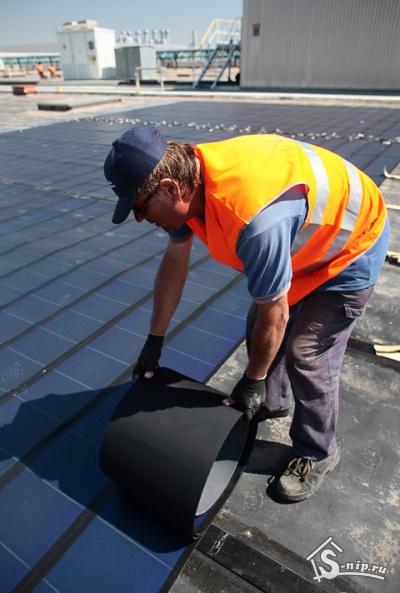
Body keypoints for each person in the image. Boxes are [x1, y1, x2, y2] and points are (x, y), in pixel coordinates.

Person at [103, 125, 389, 502]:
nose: (140, 218)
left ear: (170, 188)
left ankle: (317, 451)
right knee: (259, 328)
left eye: (140, 207)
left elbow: (276, 313)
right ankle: (274, 401)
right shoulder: (189, 182)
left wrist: (252, 379)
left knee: (306, 354)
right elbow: (175, 264)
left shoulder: (254, 220)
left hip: (350, 249)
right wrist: (154, 341)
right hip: (303, 248)